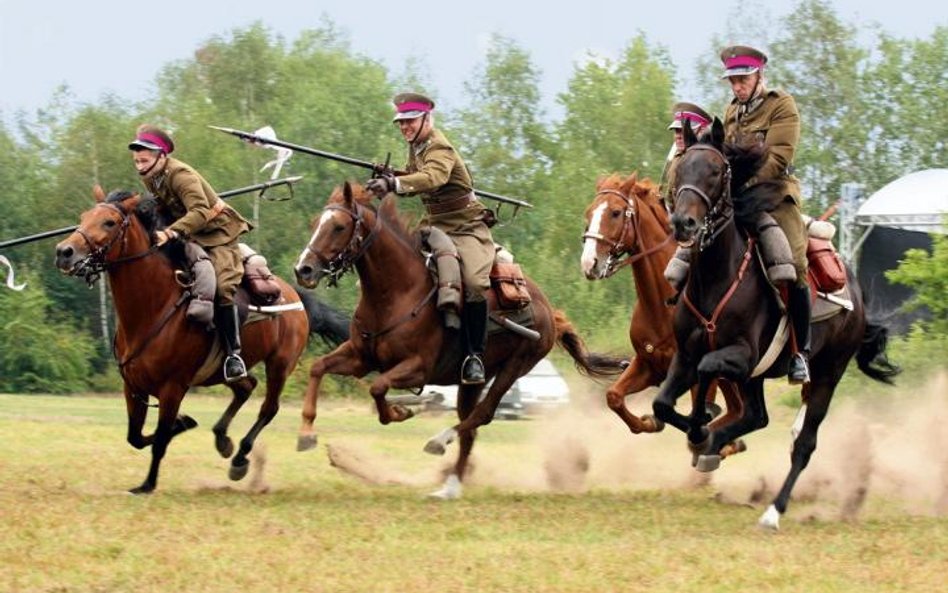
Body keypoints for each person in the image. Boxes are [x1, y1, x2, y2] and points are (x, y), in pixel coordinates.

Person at [365, 92, 494, 385]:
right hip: (435, 225)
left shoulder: (439, 146)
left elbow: (432, 177)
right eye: (401, 122)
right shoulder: (417, 146)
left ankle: (474, 356)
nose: (404, 127)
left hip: (465, 226)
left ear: (427, 119)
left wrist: (394, 183)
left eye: (410, 121)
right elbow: (416, 174)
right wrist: (391, 175)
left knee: (474, 283)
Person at [128, 124, 252, 382]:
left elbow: (201, 212)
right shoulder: (151, 175)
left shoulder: (181, 175)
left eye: (145, 160)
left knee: (222, 286)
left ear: (161, 157)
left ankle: (233, 356)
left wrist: (171, 232)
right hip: (190, 233)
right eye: (137, 160)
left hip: (218, 233)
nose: (140, 165)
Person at [720, 45, 811, 384]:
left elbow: (778, 159)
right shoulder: (731, 112)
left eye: (743, 79)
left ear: (759, 76)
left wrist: (739, 183)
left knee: (794, 262)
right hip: (736, 200)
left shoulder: (781, 105)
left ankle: (800, 352)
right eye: (733, 81)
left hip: (774, 196)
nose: (737, 86)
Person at [661, 102, 714, 292]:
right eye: (675, 132)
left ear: (700, 132)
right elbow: (667, 197)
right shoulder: (676, 160)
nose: (678, 136)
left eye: (683, 131)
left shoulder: (707, 160)